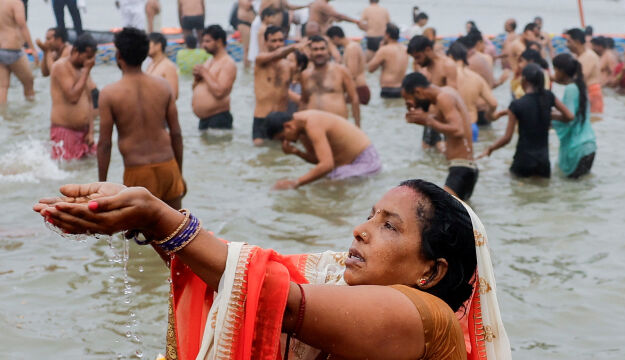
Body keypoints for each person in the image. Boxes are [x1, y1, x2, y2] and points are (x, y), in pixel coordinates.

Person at [35, 179, 512, 360]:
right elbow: (232, 276)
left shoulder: (425, 317)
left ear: (430, 272)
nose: (360, 230)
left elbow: (272, 298)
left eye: (389, 226)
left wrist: (158, 215)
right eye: (369, 214)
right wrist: (143, 223)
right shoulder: (337, 283)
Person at [97, 28, 184, 210]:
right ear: (145, 54)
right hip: (169, 167)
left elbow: (105, 144)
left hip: (137, 172)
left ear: (118, 55)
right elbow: (176, 133)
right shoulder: (163, 86)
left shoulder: (109, 94)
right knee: (175, 232)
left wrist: (101, 185)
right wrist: (180, 174)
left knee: (139, 236)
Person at [478, 64, 574, 178]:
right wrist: (548, 115)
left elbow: (507, 138)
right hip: (543, 163)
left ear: (524, 80)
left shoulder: (517, 105)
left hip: (523, 160)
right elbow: (569, 116)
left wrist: (490, 148)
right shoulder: (548, 97)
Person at [401, 72, 478, 201]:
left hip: (461, 169)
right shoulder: (446, 92)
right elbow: (439, 122)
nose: (412, 105)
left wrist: (429, 121)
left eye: (410, 100)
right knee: (461, 217)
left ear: (418, 92)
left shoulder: (443, 98)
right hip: (466, 168)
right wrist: (423, 118)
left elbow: (458, 130)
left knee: (443, 214)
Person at [265, 110, 381, 189]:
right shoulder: (301, 128)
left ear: (288, 126)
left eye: (282, 138)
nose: (285, 142)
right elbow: (319, 161)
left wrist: (295, 183)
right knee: (319, 184)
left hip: (366, 161)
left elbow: (327, 165)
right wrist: (297, 152)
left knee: (324, 186)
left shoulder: (312, 124)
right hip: (347, 165)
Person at [253, 26, 304, 145]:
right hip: (262, 117)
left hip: (282, 118)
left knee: (282, 153)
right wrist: (293, 47)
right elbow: (276, 54)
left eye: (281, 40)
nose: (278, 44)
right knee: (260, 152)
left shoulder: (289, 66)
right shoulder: (260, 60)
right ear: (266, 42)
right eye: (274, 41)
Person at [50, 33, 97, 161]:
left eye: (92, 57)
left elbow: (89, 101)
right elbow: (73, 97)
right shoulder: (60, 66)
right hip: (65, 132)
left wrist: (91, 131)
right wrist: (87, 71)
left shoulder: (83, 69)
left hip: (85, 133)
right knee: (69, 172)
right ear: (75, 51)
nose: (90, 61)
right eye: (87, 57)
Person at [551, 53, 597, 178]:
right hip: (589, 145)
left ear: (561, 71)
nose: (554, 73)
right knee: (580, 188)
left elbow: (569, 116)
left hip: (577, 147)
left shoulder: (571, 88)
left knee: (571, 188)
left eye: (554, 70)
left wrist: (550, 116)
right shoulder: (580, 86)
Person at [407, 36, 457, 149]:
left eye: (418, 57)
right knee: (426, 154)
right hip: (430, 119)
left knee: (444, 152)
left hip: (445, 120)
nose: (417, 62)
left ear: (428, 50)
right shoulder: (424, 69)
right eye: (414, 59)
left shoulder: (447, 65)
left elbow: (453, 97)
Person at [447, 42, 502, 142]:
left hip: (454, 126)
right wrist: (489, 115)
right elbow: (493, 103)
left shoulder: (448, 77)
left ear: (450, 56)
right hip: (472, 126)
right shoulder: (476, 78)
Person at [301, 36, 361, 127]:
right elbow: (304, 102)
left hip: (338, 125)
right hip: (314, 126)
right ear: (310, 52)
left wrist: (357, 126)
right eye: (315, 49)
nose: (319, 52)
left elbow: (354, 98)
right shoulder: (305, 75)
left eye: (322, 49)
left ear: (328, 51)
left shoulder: (341, 71)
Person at [192, 25, 237, 130]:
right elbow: (195, 89)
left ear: (219, 42)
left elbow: (220, 92)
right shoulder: (209, 61)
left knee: (217, 146)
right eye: (203, 41)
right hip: (204, 120)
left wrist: (204, 73)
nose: (204, 45)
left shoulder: (228, 63)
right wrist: (196, 79)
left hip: (218, 118)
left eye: (208, 41)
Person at [0, 0, 37, 105]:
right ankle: (30, 113)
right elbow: (22, 26)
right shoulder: (16, 3)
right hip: (13, 49)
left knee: (2, 87)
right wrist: (33, 49)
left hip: (0, 49)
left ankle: (3, 116)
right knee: (29, 82)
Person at [326, 25, 370, 105]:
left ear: (336, 38)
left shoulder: (351, 48)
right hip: (357, 89)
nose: (332, 45)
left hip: (358, 89)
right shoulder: (350, 47)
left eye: (331, 42)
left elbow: (352, 73)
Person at [565, 28, 603, 114]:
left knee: (593, 121)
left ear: (577, 42)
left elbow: (579, 79)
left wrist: (559, 79)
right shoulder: (578, 56)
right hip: (583, 93)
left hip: (592, 94)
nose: (566, 44)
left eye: (568, 41)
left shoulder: (588, 56)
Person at [367, 23, 409, 99]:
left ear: (387, 35)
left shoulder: (384, 50)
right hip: (402, 88)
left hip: (388, 89)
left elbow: (370, 68)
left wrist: (379, 49)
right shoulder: (405, 49)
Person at [147, 32, 179, 100]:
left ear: (158, 46)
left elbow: (174, 94)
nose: (145, 47)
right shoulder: (151, 64)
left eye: (148, 44)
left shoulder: (168, 66)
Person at [237, 0, 256, 67]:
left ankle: (251, 67)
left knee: (253, 48)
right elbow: (247, 5)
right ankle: (246, 68)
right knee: (247, 49)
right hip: (244, 24)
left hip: (253, 25)